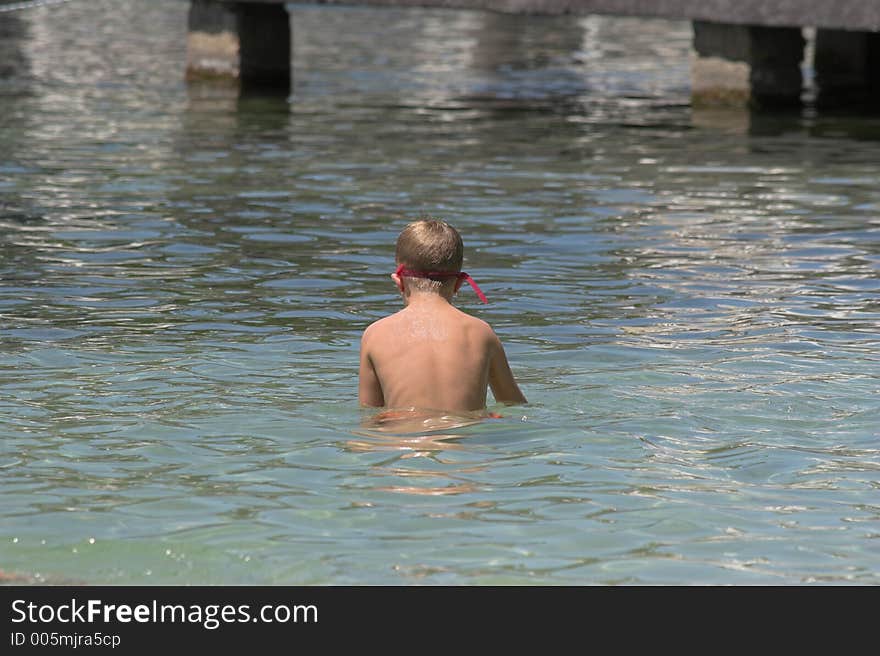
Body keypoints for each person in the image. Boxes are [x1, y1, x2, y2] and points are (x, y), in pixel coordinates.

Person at [359, 218, 527, 415]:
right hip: (464, 443)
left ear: (399, 283)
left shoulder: (376, 335)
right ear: (458, 284)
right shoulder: (481, 333)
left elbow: (369, 415)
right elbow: (514, 406)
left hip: (402, 439)